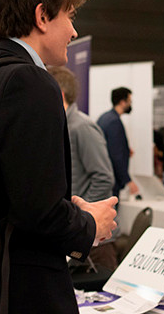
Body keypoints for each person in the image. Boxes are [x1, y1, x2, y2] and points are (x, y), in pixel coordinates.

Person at [0, 0, 117, 313]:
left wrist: (65, 205)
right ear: (41, 17)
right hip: (21, 286)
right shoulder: (30, 81)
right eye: (68, 16)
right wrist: (89, 225)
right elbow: (36, 212)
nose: (72, 31)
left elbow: (8, 190)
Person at [48, 66, 119, 270]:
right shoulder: (60, 126)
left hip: (96, 241)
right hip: (78, 233)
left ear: (59, 94)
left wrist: (84, 217)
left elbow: (104, 177)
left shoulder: (82, 127)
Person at [97, 87, 139, 199]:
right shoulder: (114, 122)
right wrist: (128, 180)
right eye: (129, 101)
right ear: (122, 102)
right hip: (111, 180)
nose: (131, 104)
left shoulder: (104, 118)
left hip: (103, 176)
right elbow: (116, 155)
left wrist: (125, 150)